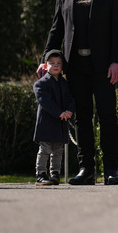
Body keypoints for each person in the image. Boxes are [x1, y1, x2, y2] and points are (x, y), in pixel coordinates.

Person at [38, 0, 118, 185]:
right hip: (75, 65)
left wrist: (117, 62)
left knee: (107, 115)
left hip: (103, 66)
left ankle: (111, 170)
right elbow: (57, 30)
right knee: (82, 117)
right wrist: (46, 59)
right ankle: (86, 169)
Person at [33, 50, 75, 186]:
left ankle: (55, 173)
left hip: (60, 123)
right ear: (45, 66)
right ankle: (41, 174)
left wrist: (69, 111)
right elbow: (45, 101)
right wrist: (59, 112)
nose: (55, 66)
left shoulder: (65, 84)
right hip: (46, 122)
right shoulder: (40, 84)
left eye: (58, 63)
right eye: (52, 63)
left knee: (58, 150)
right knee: (45, 149)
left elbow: (71, 99)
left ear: (62, 66)